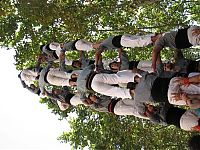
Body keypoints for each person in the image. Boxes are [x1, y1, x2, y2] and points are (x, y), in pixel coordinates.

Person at [94, 33, 161, 70]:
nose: (96, 49)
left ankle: (156, 38)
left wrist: (96, 65)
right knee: (138, 39)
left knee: (138, 42)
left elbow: (97, 54)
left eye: (95, 47)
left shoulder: (102, 45)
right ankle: (155, 35)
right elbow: (120, 50)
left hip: (122, 41)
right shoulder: (107, 43)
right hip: (122, 38)